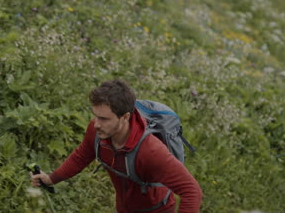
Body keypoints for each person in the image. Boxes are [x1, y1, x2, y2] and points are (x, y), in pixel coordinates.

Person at [30, 79, 202, 213]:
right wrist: (51, 179)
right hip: (123, 208)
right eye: (95, 116)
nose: (96, 124)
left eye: (104, 118)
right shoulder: (98, 130)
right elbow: (82, 155)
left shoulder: (150, 150)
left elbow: (191, 191)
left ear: (125, 117)